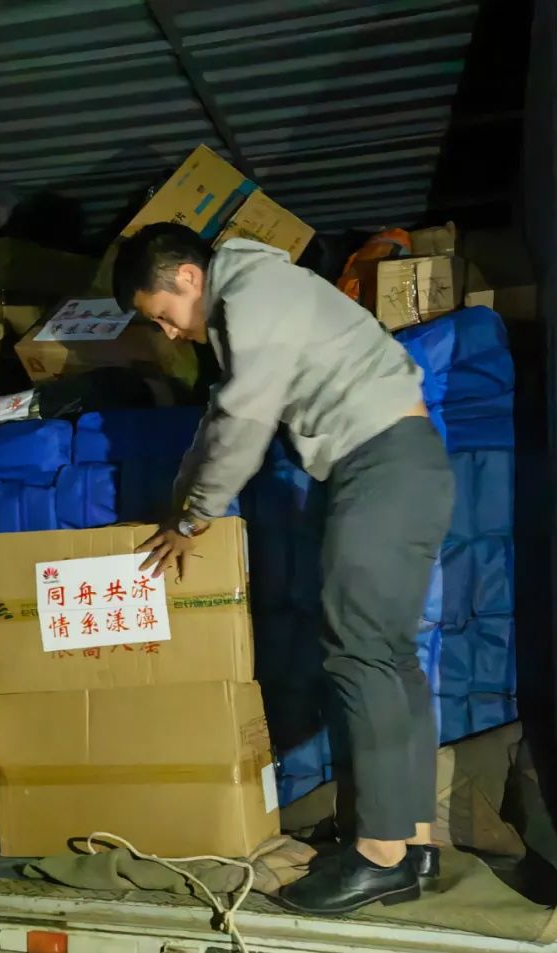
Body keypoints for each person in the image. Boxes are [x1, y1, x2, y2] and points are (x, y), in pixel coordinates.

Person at [113, 224, 453, 915]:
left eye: (162, 314)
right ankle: (412, 841)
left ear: (188, 278)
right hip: (398, 463)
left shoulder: (253, 293)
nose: (169, 333)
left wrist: (192, 519)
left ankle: (380, 856)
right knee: (389, 656)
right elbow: (219, 421)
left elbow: (243, 422)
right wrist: (181, 504)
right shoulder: (253, 303)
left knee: (359, 651)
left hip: (382, 464)